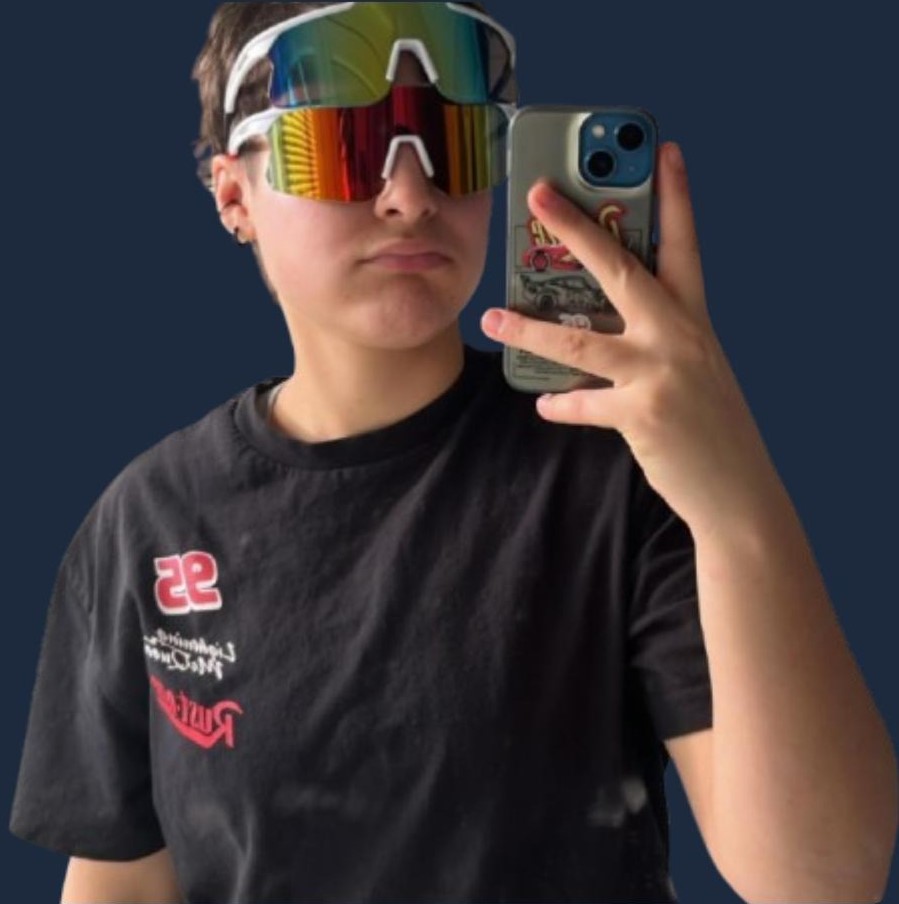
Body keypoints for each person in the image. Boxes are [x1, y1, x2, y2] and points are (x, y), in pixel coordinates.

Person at [9, 2, 897, 903]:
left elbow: (823, 881)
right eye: (346, 143)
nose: (410, 195)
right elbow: (122, 885)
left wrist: (733, 494)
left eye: (456, 144)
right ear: (234, 195)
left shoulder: (616, 467)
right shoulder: (146, 521)